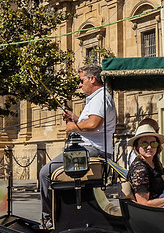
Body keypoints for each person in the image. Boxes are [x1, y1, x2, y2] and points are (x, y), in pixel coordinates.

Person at [38, 64, 117, 222]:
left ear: (92, 79)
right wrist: (75, 118)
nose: (80, 85)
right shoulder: (97, 99)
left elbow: (94, 124)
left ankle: (50, 217)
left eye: (81, 81)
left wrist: (73, 126)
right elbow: (91, 122)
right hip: (90, 149)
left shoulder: (100, 98)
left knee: (45, 173)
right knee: (50, 172)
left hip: (92, 150)